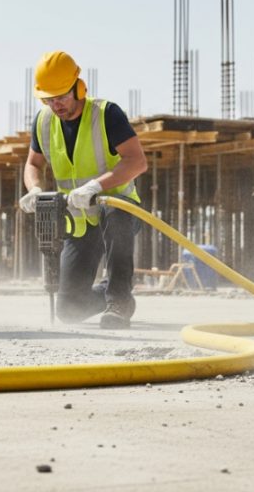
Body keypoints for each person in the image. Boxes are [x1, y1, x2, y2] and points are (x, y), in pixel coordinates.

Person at [19, 51, 147, 329]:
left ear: (79, 87)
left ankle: (119, 302)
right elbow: (33, 164)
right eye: (48, 99)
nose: (56, 105)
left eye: (62, 97)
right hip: (79, 220)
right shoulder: (43, 122)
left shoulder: (106, 114)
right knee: (69, 309)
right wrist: (35, 189)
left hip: (119, 208)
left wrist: (96, 186)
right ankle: (111, 291)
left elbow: (137, 161)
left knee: (115, 214)